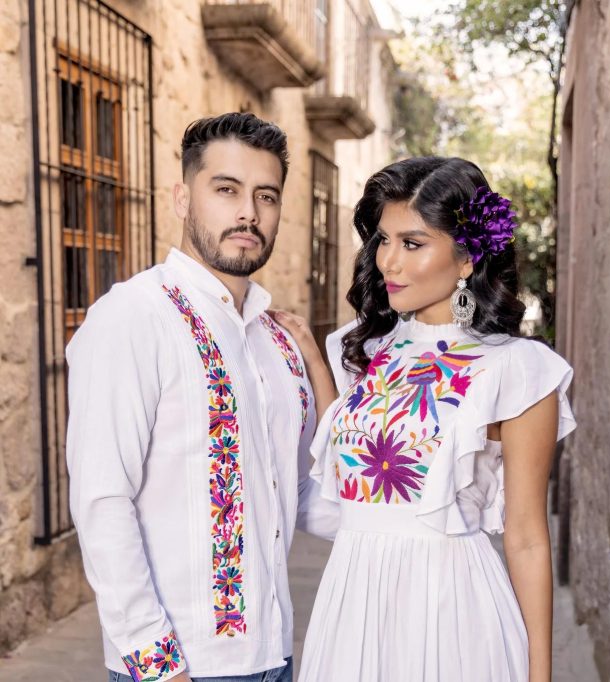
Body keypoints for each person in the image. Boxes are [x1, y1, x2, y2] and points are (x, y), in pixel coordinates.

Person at [275, 156, 576, 682]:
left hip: (453, 611)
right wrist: (313, 360)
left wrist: (540, 677)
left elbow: (527, 536)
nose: (388, 261)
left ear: (466, 259)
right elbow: (345, 468)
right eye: (383, 241)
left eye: (412, 244)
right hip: (352, 607)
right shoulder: (370, 349)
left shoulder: (518, 370)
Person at [67, 112, 335, 682]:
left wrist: (417, 520)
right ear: (182, 198)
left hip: (275, 654)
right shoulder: (133, 317)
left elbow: (301, 490)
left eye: (267, 196)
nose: (248, 213)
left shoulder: (275, 341)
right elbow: (102, 498)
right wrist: (156, 663)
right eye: (226, 189)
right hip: (180, 666)